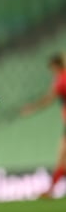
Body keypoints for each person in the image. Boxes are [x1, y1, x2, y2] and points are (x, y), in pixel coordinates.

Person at [22, 54, 66, 197]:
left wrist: (31, 108)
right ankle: (51, 189)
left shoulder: (61, 81)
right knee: (62, 158)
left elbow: (48, 99)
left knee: (62, 157)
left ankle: (51, 189)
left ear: (55, 66)